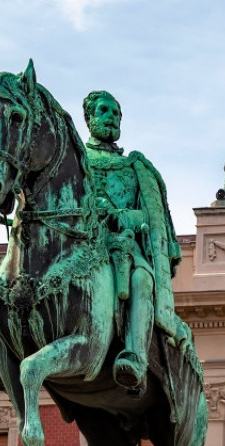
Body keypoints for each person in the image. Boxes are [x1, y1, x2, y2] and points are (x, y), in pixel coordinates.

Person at [82, 90, 191, 392]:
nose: (111, 118)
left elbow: (148, 213)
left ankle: (135, 354)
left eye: (116, 114)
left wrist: (123, 216)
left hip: (122, 246)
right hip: (78, 242)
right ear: (89, 118)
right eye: (104, 111)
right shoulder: (75, 160)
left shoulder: (133, 167)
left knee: (143, 280)